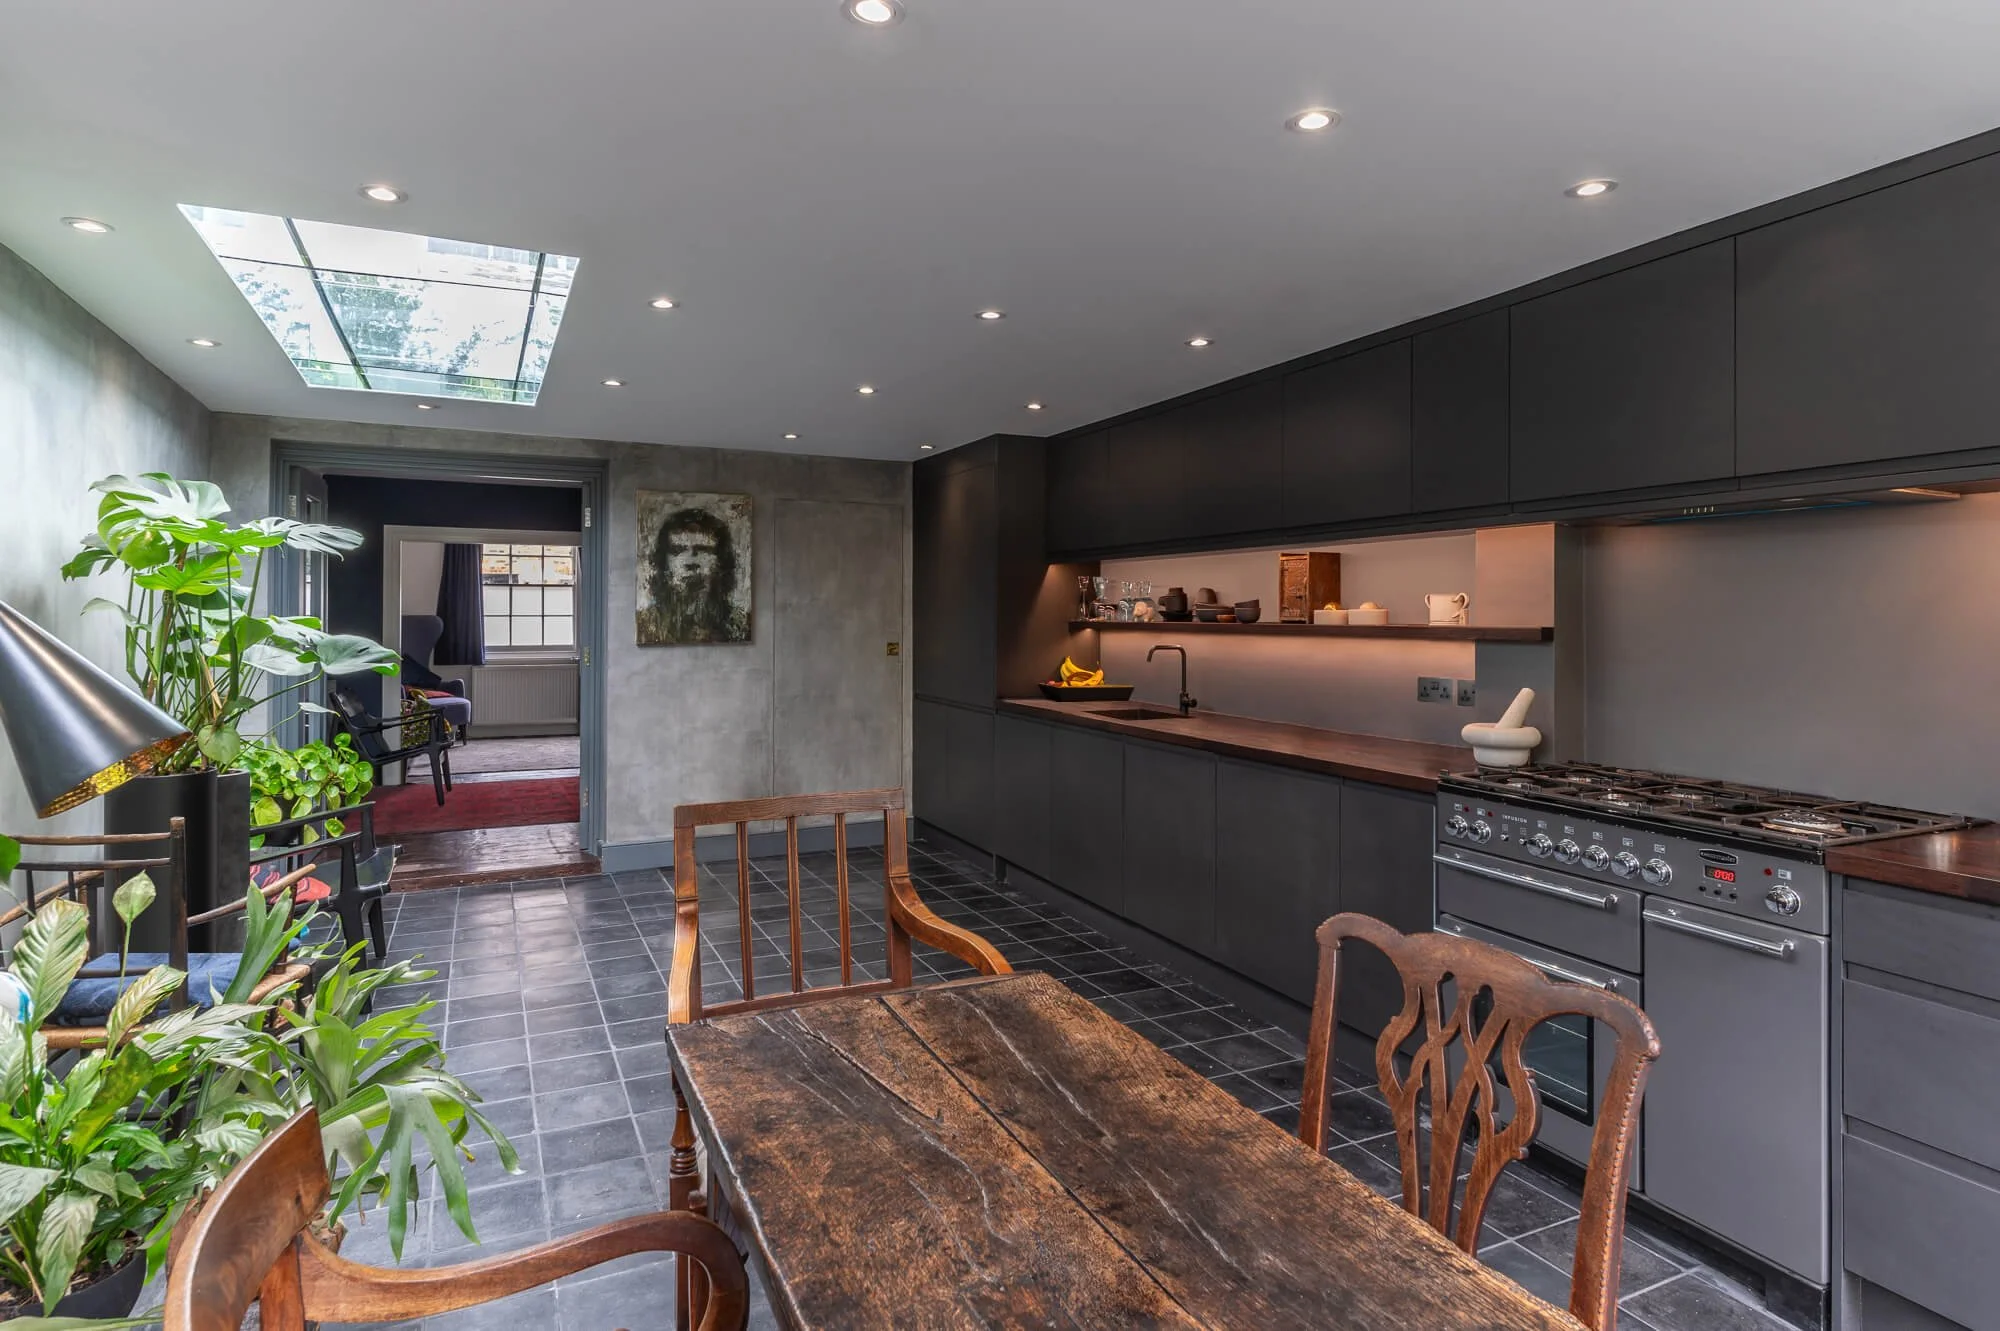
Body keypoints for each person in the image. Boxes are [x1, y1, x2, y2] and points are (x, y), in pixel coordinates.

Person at [640, 505, 749, 643]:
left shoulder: (741, 626)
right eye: (677, 550)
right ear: (663, 563)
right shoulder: (646, 623)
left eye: (704, 550)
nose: (691, 561)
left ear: (722, 562)